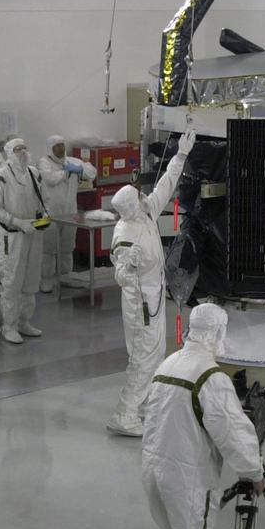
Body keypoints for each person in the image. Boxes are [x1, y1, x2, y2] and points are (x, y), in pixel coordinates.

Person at [141, 303, 264, 529]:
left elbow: (150, 413)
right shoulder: (211, 377)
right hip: (187, 481)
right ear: (218, 332)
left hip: (153, 472)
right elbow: (233, 432)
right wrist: (254, 472)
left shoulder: (168, 364)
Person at [106, 128, 196, 437]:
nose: (143, 195)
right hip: (140, 306)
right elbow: (120, 276)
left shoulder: (144, 215)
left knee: (155, 355)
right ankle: (124, 414)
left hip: (154, 298)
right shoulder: (125, 234)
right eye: (138, 196)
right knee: (143, 359)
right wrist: (129, 265)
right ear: (131, 206)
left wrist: (181, 154)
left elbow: (165, 186)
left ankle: (142, 406)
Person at [0, 138, 48, 344]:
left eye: (24, 148)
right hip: (11, 237)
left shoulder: (33, 173)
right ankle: (9, 325)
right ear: (9, 153)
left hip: (33, 233)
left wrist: (43, 216)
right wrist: (18, 222)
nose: (22, 152)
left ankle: (24, 321)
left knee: (30, 280)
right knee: (12, 281)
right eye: (17, 149)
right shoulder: (0, 177)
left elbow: (42, 200)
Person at [37, 135, 96, 293]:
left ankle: (65, 277)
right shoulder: (43, 162)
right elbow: (50, 179)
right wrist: (66, 172)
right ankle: (46, 280)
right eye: (57, 146)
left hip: (70, 212)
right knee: (48, 248)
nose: (61, 149)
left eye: (62, 145)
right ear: (50, 148)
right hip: (50, 213)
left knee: (67, 247)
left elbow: (92, 172)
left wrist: (81, 169)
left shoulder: (72, 161)